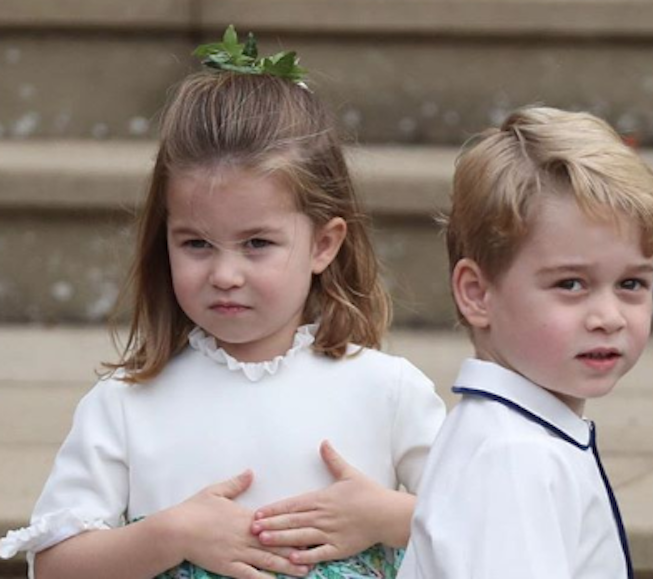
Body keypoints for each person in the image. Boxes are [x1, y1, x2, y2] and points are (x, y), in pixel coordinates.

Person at [0, 27, 445, 579]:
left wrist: (390, 517)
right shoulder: (126, 405)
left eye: (257, 243)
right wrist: (171, 534)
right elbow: (54, 566)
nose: (224, 274)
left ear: (324, 244)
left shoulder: (388, 390)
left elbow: (487, 530)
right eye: (196, 244)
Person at [398, 105, 653, 579]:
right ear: (477, 294)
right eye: (570, 284)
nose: (608, 317)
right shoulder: (514, 455)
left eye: (631, 284)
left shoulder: (518, 433)